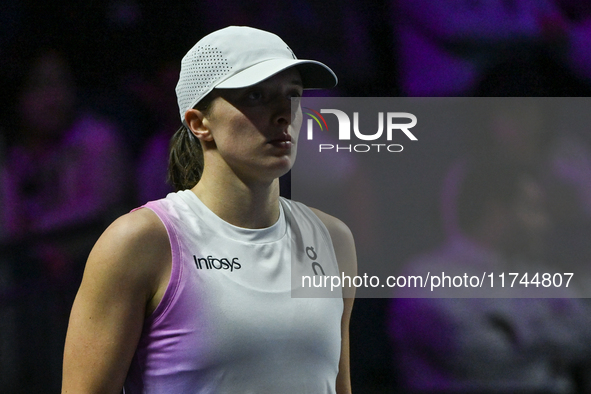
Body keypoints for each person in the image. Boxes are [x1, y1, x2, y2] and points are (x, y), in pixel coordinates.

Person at [62, 26, 356, 393]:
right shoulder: (138, 241)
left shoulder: (333, 239)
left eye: (293, 94)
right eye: (257, 95)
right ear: (199, 123)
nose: (285, 113)